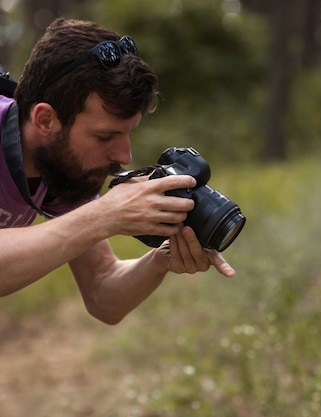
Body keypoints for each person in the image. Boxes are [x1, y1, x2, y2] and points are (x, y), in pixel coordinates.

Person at [0, 18, 236, 325]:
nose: (125, 155)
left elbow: (103, 290)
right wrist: (103, 216)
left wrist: (159, 260)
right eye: (105, 137)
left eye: (127, 134)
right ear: (45, 120)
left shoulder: (61, 168)